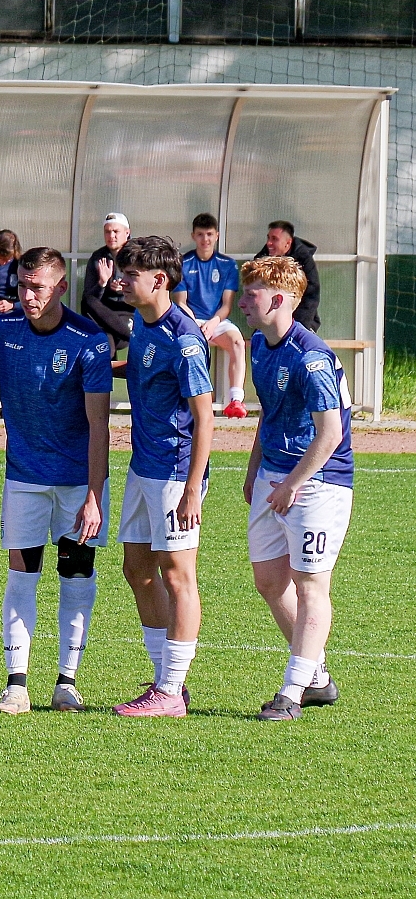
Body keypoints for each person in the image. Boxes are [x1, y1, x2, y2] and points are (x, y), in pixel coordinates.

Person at [0, 247, 112, 714]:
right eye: (21, 285)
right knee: (22, 574)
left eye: (37, 287)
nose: (27, 295)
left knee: (76, 573)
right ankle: (16, 685)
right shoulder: (3, 331)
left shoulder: (89, 340)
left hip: (77, 482)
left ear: (60, 287)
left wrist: (95, 496)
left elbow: (100, 424)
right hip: (24, 478)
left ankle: (66, 683)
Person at [237, 257, 353, 720]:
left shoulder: (311, 357)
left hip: (318, 483)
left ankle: (291, 692)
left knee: (310, 585)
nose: (242, 303)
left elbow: (331, 434)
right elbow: (271, 411)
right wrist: (254, 469)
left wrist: (292, 483)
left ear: (279, 300)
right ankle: (317, 678)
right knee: (269, 580)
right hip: (275, 476)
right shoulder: (260, 346)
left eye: (252, 295)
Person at [111, 235, 214, 718]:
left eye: (129, 276)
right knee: (137, 570)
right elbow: (138, 370)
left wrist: (192, 488)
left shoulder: (184, 340)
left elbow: (205, 417)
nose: (120, 282)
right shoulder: (142, 323)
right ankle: (164, 680)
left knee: (177, 575)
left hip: (174, 472)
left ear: (159, 280)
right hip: (142, 466)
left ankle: (171, 690)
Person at [176, 213, 248, 418]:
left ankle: (236, 400)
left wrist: (213, 322)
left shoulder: (227, 264)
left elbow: (227, 305)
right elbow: (181, 303)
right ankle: (191, 399)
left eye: (209, 234)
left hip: (217, 320)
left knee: (238, 342)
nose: (205, 239)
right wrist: (195, 325)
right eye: (200, 234)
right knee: (188, 348)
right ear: (193, 236)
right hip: (190, 319)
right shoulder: (183, 263)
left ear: (216, 235)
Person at [82, 212, 135, 356]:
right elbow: (89, 298)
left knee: (103, 337)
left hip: (128, 311)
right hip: (103, 312)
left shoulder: (136, 256)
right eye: (107, 232)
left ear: (127, 233)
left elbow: (147, 289)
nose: (111, 236)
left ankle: (131, 337)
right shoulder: (98, 257)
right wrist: (102, 283)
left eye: (116, 231)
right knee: (88, 302)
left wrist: (125, 288)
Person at [255, 221, 321, 332]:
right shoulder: (262, 259)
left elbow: (311, 295)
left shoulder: (304, 259)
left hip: (301, 318)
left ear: (288, 243)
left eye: (274, 239)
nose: (269, 243)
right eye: (268, 238)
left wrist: (299, 328)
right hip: (270, 318)